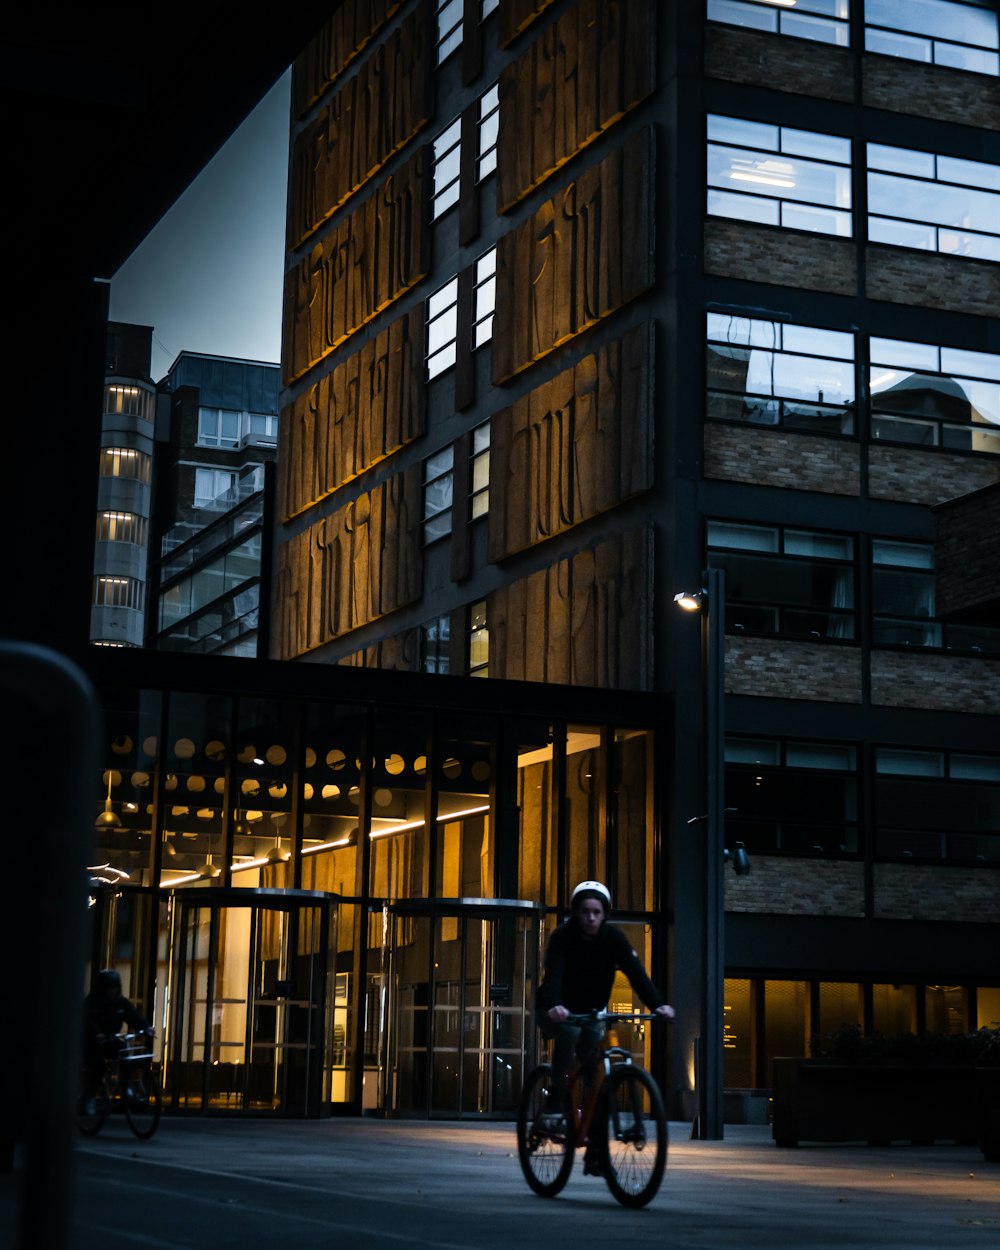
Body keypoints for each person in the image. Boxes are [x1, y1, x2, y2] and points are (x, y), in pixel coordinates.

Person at [535, 880, 674, 1174]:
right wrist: (556, 1005)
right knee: (570, 1033)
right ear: (576, 912)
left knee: (597, 1073)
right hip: (555, 1008)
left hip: (591, 1012)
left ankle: (596, 1149)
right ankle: (557, 1100)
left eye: (597, 912)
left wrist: (658, 1004)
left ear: (605, 914)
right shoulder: (562, 937)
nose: (591, 918)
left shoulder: (613, 939)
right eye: (585, 912)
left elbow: (638, 975)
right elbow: (554, 975)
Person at [82, 968, 151, 1112]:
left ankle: (125, 1086)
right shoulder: (92, 1002)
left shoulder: (120, 1002)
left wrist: (146, 1028)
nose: (112, 990)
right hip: (91, 1042)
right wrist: (97, 1033)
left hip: (111, 1039)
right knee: (98, 1067)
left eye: (115, 987)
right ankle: (90, 1098)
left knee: (126, 1055)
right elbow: (88, 1021)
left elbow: (133, 1016)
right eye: (109, 987)